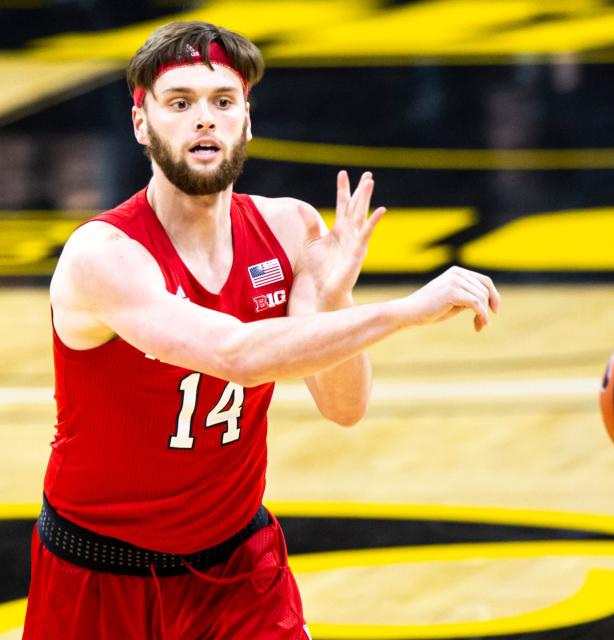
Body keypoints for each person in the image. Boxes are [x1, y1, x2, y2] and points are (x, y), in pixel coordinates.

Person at [23, 20, 500, 640]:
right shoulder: (103, 254)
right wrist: (405, 311)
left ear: (247, 119)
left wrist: (332, 294)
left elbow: (344, 406)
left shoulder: (287, 229)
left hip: (239, 571)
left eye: (223, 102)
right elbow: (235, 354)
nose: (205, 120)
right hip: (100, 574)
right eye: (181, 103)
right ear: (141, 123)